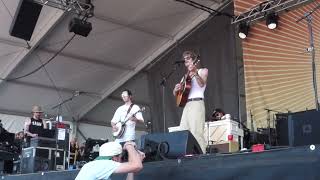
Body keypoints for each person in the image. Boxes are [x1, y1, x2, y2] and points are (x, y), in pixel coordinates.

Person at [173, 50, 208, 153]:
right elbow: (177, 94)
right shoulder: (184, 77)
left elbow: (202, 84)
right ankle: (186, 154)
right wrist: (176, 89)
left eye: (188, 59)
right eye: (185, 61)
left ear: (194, 60)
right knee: (183, 131)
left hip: (197, 103)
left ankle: (202, 154)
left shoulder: (203, 71)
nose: (186, 62)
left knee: (196, 132)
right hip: (187, 105)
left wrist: (195, 73)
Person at [75, 141, 144, 180]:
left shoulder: (90, 165)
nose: (121, 160)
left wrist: (131, 169)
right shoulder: (105, 164)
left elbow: (135, 166)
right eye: (120, 157)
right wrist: (129, 145)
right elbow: (137, 166)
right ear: (114, 158)